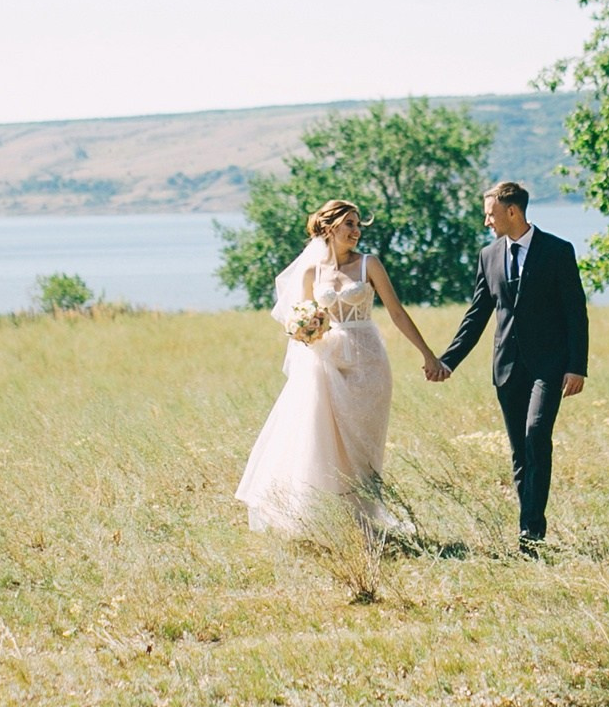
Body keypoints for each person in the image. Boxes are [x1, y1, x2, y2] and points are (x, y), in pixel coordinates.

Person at [235, 200, 449, 536]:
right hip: (325, 364)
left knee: (362, 443)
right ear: (329, 228)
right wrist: (305, 329)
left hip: (368, 362)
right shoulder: (311, 273)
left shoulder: (369, 265)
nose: (356, 231)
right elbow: (299, 321)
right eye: (348, 224)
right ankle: (320, 518)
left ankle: (363, 519)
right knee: (321, 438)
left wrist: (428, 354)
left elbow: (396, 312)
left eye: (358, 224)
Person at [436, 180, 589, 553]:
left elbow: (575, 312)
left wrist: (577, 366)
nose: (486, 221)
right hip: (506, 369)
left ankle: (532, 531)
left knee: (537, 436)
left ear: (512, 211)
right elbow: (476, 316)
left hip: (548, 368)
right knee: (520, 452)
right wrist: (447, 360)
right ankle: (528, 533)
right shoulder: (488, 256)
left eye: (490, 214)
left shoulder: (557, 251)